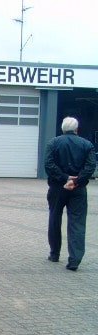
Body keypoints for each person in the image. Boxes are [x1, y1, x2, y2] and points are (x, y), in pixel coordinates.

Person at [44, 116, 96, 271]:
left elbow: (49, 164)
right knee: (77, 223)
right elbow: (91, 165)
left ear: (62, 129)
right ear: (76, 129)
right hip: (78, 190)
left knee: (54, 218)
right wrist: (77, 180)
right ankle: (75, 260)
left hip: (57, 187)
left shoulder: (53, 143)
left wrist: (65, 178)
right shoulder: (87, 145)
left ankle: (54, 253)